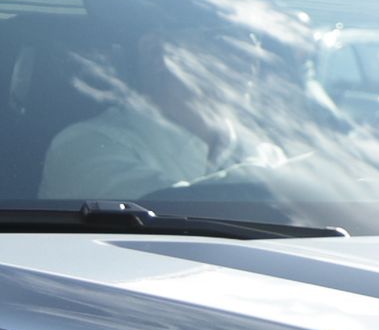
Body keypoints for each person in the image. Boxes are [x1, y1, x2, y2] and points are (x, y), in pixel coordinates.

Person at [38, 25, 292, 199]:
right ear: (155, 51)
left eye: (254, 39)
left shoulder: (261, 151)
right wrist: (303, 180)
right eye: (224, 37)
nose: (250, 55)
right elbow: (171, 209)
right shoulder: (84, 146)